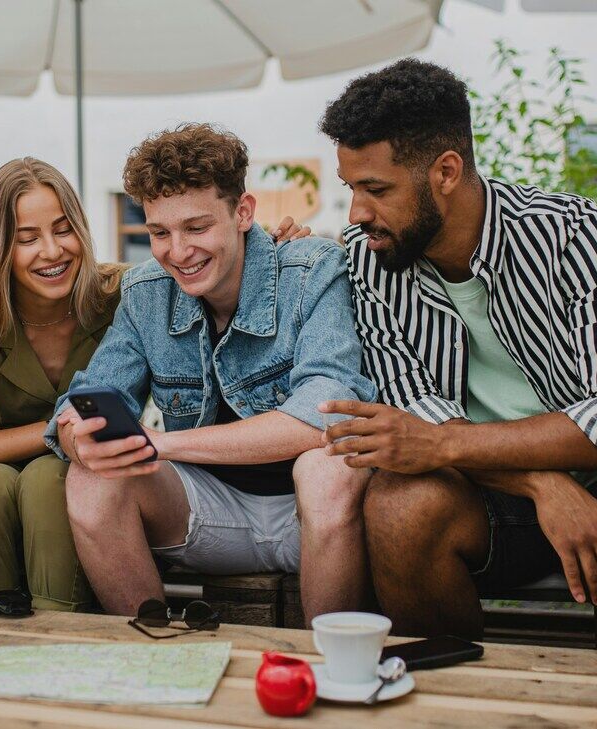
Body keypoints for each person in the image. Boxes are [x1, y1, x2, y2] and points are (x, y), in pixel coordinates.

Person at [318, 59, 597, 727]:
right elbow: (412, 421)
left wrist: (444, 443)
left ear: (445, 171)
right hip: (476, 490)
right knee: (398, 511)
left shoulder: (571, 232)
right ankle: (469, 715)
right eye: (351, 187)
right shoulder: (369, 257)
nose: (357, 212)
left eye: (375, 188)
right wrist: (544, 483)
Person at [0, 158, 311, 612]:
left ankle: (62, 631)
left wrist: (261, 244)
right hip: (42, 452)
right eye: (26, 239)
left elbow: (200, 264)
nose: (52, 251)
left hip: (88, 462)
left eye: (63, 230)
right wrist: (55, 426)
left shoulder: (121, 292)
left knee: (49, 478)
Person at [45, 123, 376, 621]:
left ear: (243, 212)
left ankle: (327, 669)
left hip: (314, 516)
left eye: (197, 228)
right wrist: (81, 437)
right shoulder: (146, 293)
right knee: (91, 476)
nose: (178, 252)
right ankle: (152, 652)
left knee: (326, 466)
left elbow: (323, 415)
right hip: (205, 515)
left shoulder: (313, 269)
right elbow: (88, 397)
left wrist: (160, 444)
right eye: (159, 232)